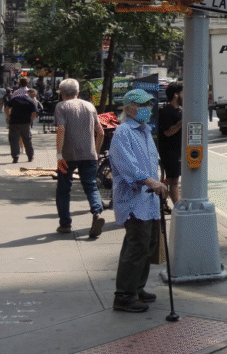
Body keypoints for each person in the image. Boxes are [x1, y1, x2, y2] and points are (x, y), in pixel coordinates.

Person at [109, 89, 166, 313]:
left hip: (148, 198)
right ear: (129, 108)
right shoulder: (124, 132)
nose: (147, 109)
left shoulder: (145, 130)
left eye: (149, 105)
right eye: (142, 105)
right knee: (136, 246)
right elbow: (127, 165)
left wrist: (156, 181)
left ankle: (136, 288)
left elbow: (150, 162)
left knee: (148, 245)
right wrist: (150, 181)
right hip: (134, 199)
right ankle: (124, 295)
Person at [54, 78, 106, 237]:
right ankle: (97, 213)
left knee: (63, 189)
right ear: (77, 92)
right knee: (91, 185)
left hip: (67, 155)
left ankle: (65, 223)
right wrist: (96, 152)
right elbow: (100, 132)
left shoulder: (61, 106)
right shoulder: (90, 106)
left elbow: (61, 130)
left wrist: (59, 154)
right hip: (89, 154)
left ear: (62, 93)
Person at [157, 82, 183, 206]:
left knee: (174, 180)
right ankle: (155, 194)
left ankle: (167, 204)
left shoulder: (179, 111)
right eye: (183, 93)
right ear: (176, 95)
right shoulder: (167, 111)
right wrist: (182, 122)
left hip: (177, 150)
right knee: (171, 179)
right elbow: (168, 132)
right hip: (169, 151)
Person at [6, 86, 38, 163]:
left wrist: (8, 117)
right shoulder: (30, 101)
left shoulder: (15, 99)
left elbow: (7, 107)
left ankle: (15, 157)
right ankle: (30, 156)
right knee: (27, 139)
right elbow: (34, 112)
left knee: (14, 140)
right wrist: (31, 120)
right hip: (25, 122)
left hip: (14, 122)